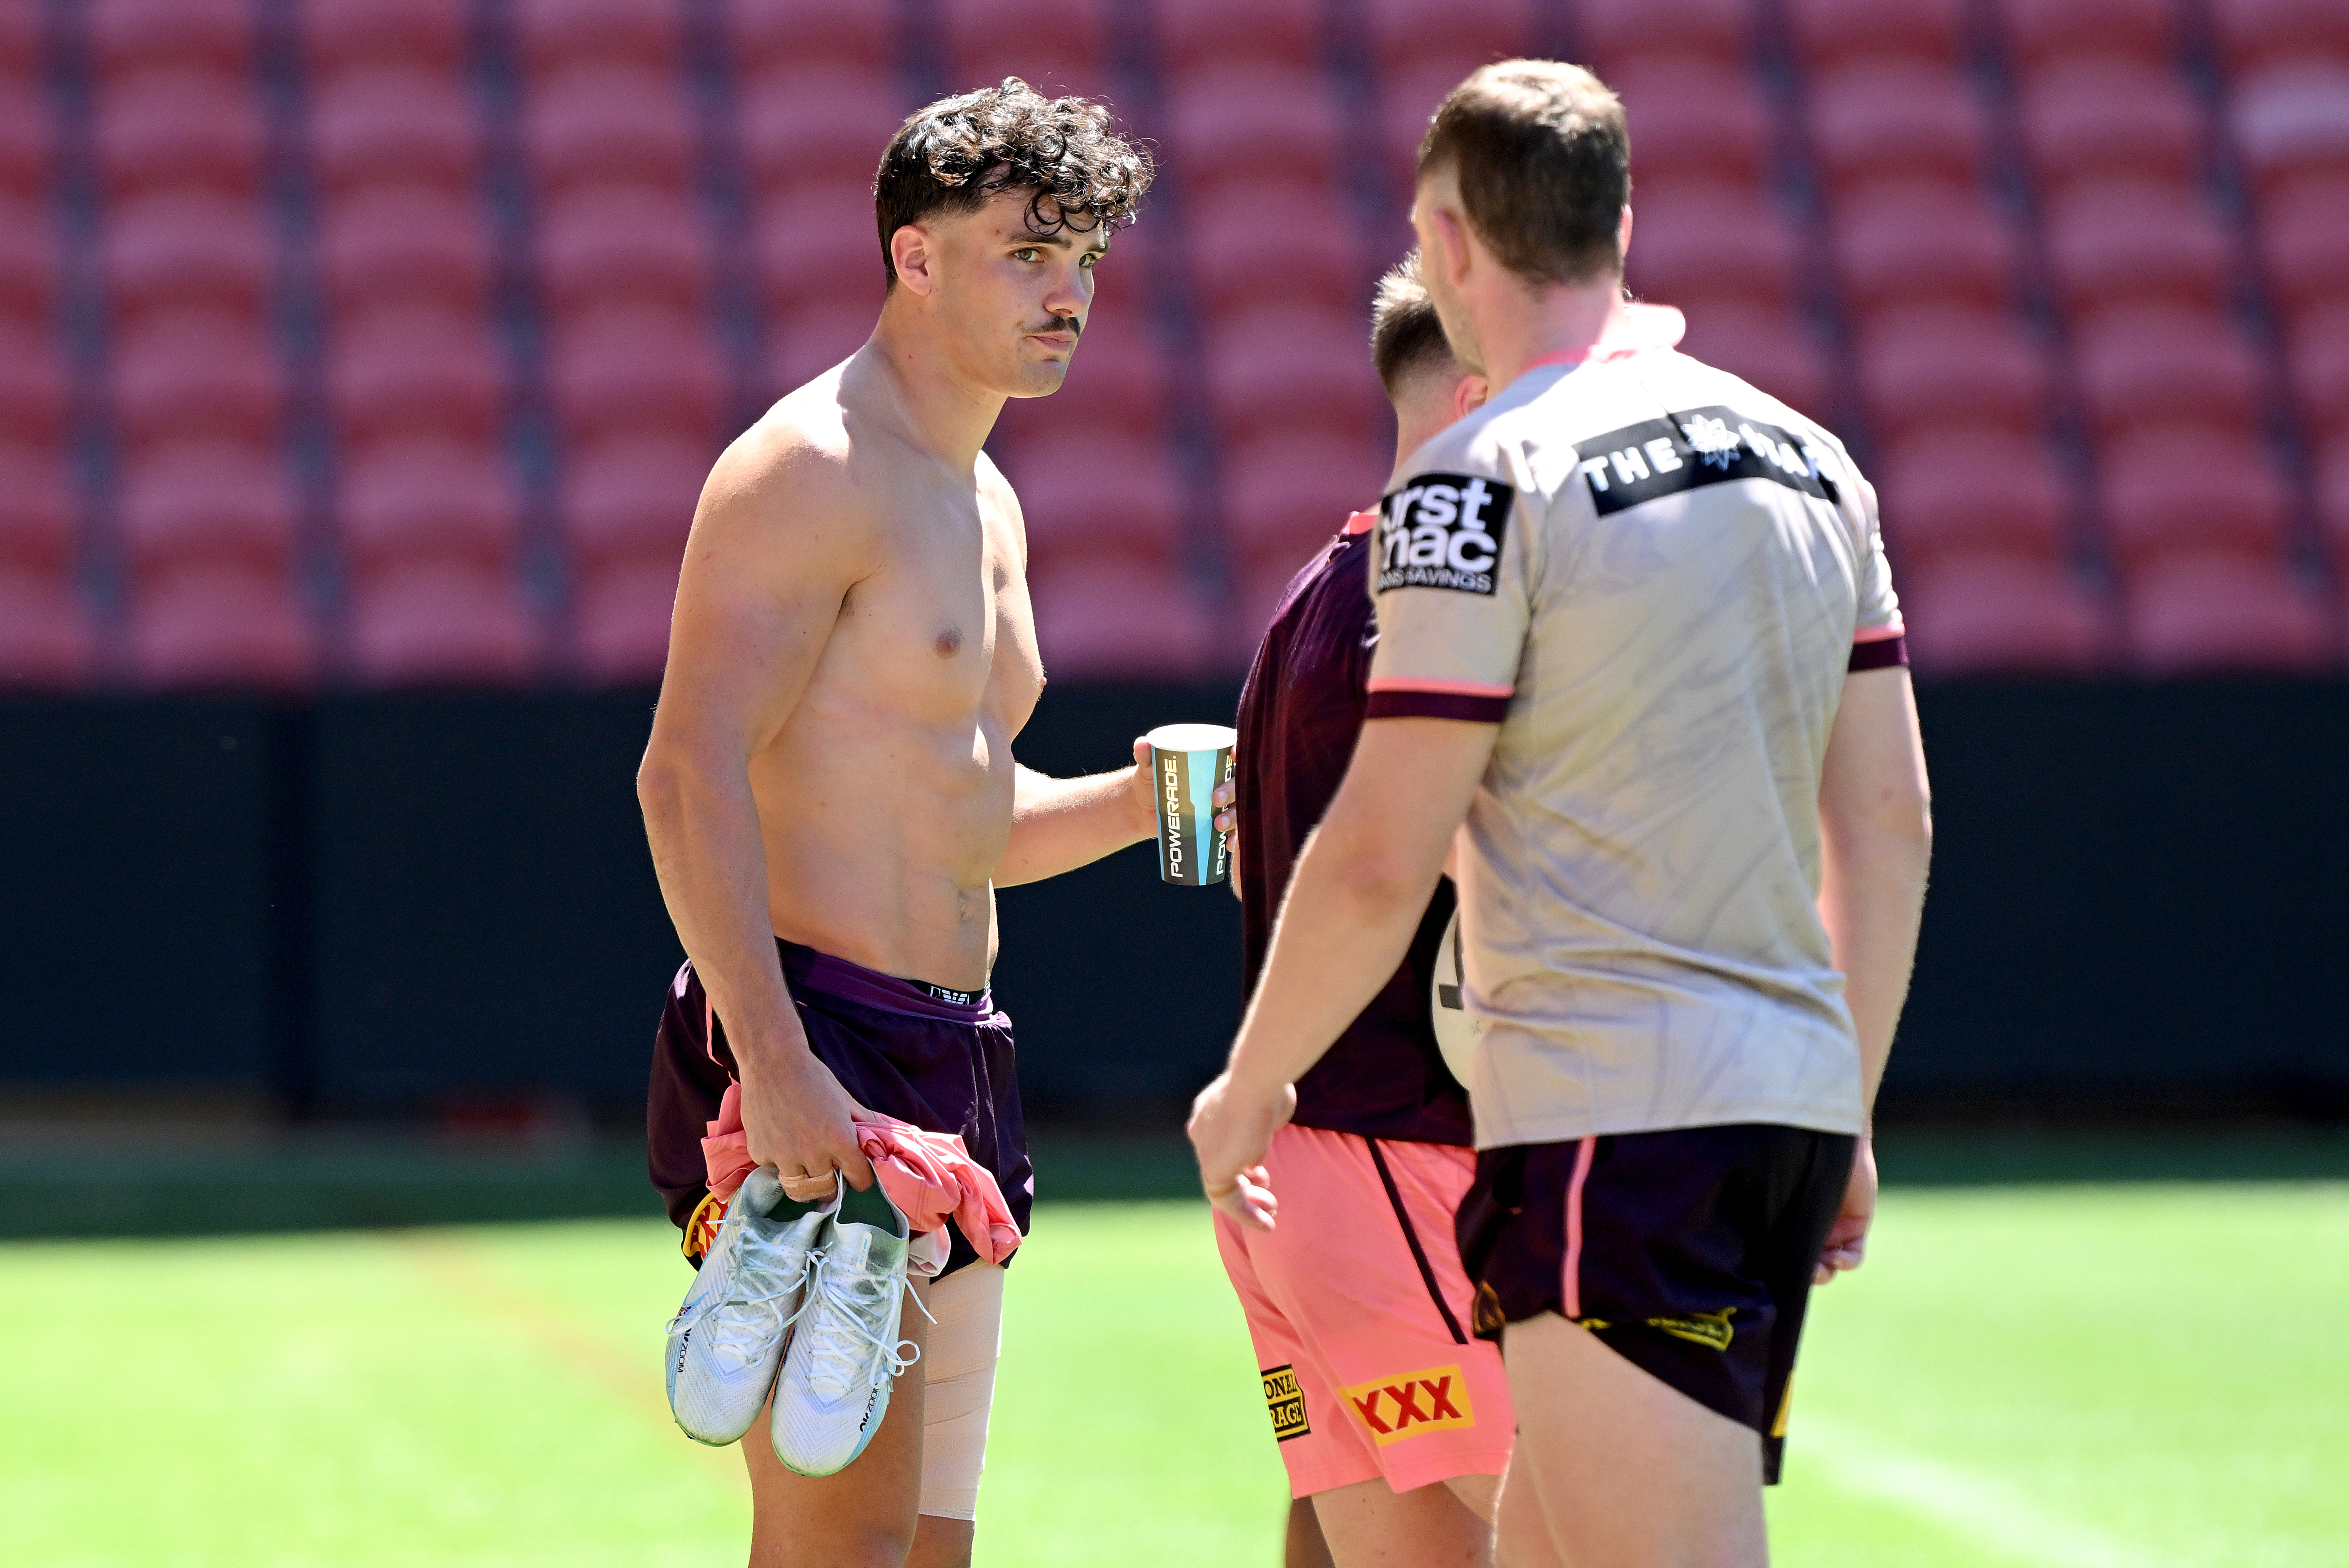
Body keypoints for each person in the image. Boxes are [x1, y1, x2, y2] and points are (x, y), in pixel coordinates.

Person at [1189, 59, 1932, 1568]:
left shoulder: (1475, 477)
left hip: (1607, 1117)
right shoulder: (1811, 459)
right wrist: (1846, 1108)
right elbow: (1893, 817)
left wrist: (1249, 1080)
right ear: (1623, 224)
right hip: (1778, 1099)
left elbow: (1384, 848)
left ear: (1447, 242)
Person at [636, 80, 1162, 1568]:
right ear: (914, 257)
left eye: (1084, 263)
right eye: (1025, 256)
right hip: (821, 1045)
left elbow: (969, 820)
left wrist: (1142, 804)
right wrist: (779, 1058)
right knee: (838, 1551)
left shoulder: (983, 495)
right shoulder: (814, 466)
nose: (1067, 298)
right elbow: (683, 774)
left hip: (955, 1051)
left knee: (926, 1552)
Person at [1215, 262, 1518, 1568]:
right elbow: (1420, 852)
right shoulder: (1429, 592)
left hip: (1313, 1172)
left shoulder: (1305, 593)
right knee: (1594, 1524)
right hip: (1397, 1153)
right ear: (1478, 396)